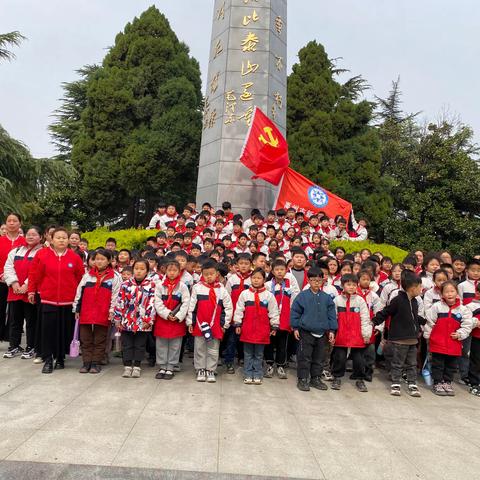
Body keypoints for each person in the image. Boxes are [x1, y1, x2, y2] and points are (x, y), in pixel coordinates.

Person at [27, 228, 84, 373]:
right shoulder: (42, 254)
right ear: (51, 239)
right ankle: (47, 359)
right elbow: (34, 274)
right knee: (48, 331)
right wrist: (32, 291)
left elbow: (80, 278)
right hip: (48, 299)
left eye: (64, 237)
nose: (61, 240)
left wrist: (79, 298)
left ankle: (60, 358)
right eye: (58, 237)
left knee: (64, 331)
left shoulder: (74, 257)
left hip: (68, 301)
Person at [372, 271, 425, 397]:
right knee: (398, 362)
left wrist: (423, 322)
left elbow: (414, 317)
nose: (421, 290)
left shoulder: (415, 301)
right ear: (412, 288)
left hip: (412, 339)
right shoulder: (397, 300)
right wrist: (375, 321)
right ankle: (396, 383)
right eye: (420, 287)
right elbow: (386, 311)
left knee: (412, 363)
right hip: (400, 339)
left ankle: (412, 383)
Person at [73, 249, 121, 374]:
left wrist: (112, 311)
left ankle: (95, 363)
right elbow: (79, 293)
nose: (99, 262)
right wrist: (77, 309)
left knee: (100, 339)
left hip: (103, 312)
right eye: (96, 259)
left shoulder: (115, 277)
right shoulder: (87, 275)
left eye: (102, 259)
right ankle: (86, 362)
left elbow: (116, 296)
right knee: (85, 338)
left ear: (109, 261)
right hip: (86, 311)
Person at [290, 268, 337, 392]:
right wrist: (295, 327)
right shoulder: (302, 296)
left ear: (323, 280)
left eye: (319, 280)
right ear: (308, 280)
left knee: (319, 357)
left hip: (322, 333)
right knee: (304, 357)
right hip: (305, 332)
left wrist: (332, 330)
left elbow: (332, 315)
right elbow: (295, 312)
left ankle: (315, 378)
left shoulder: (327, 298)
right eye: (313, 280)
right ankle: (303, 379)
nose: (316, 282)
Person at [186, 260, 233, 383]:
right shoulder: (197, 288)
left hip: (215, 325)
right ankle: (200, 368)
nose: (209, 276)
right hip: (200, 324)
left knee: (213, 348)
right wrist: (190, 322)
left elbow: (228, 308)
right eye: (206, 274)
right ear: (202, 274)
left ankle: (211, 369)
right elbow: (192, 306)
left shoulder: (221, 290)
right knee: (199, 348)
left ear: (217, 274)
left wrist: (224, 324)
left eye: (211, 273)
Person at [424, 281, 473, 396]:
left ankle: (447, 382)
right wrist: (427, 337)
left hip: (454, 344)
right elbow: (430, 322)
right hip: (438, 343)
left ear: (457, 293)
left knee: (451, 365)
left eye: (452, 291)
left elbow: (467, 325)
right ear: (442, 294)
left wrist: (460, 334)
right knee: (438, 364)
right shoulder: (437, 307)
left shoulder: (463, 309)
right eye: (446, 292)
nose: (449, 294)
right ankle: (437, 382)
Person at [3, 226, 43, 358]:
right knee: (15, 320)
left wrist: (27, 285)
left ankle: (31, 346)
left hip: (30, 292)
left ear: (41, 237)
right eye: (28, 234)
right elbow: (8, 267)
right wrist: (14, 283)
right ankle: (14, 346)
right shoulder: (16, 250)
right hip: (14, 291)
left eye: (34, 234)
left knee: (31, 320)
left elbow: (38, 271)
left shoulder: (42, 252)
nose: (30, 236)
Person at [234, 268, 279, 385]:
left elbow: (273, 311)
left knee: (259, 354)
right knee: (248, 353)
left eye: (259, 278)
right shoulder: (244, 294)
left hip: (262, 330)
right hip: (247, 329)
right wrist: (237, 323)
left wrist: (274, 326)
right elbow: (239, 309)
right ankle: (248, 373)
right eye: (254, 278)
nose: (256, 280)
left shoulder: (268, 295)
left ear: (264, 279)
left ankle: (258, 373)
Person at [114, 259, 157, 378]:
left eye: (142, 269)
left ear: (147, 271)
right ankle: (127, 366)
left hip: (143, 322)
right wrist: (117, 318)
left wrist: (148, 320)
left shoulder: (151, 285)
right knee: (127, 344)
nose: (138, 271)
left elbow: (152, 303)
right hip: (127, 321)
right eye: (136, 268)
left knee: (140, 345)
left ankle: (137, 366)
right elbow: (120, 302)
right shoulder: (125, 285)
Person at [331, 274, 372, 392]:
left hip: (357, 336)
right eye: (348, 284)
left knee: (359, 360)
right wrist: (332, 333)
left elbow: (365, 319)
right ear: (343, 285)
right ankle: (337, 377)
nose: (351, 287)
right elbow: (333, 317)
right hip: (341, 335)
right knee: (340, 358)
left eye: (354, 285)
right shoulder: (337, 300)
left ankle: (360, 379)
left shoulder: (360, 301)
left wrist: (366, 335)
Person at [153, 260, 190, 380]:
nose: (172, 273)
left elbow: (186, 303)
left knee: (175, 345)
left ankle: (170, 367)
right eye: (170, 270)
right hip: (163, 320)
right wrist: (166, 313)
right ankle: (162, 366)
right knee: (161, 344)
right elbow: (157, 302)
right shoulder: (160, 285)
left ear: (179, 271)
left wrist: (179, 316)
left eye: (175, 270)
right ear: (165, 270)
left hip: (176, 321)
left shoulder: (182, 286)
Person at [264, 260, 300, 379]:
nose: (279, 272)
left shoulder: (290, 285)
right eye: (277, 270)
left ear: (286, 271)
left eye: (282, 269)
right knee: (269, 343)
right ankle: (269, 364)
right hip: (270, 319)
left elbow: (294, 300)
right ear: (272, 271)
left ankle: (280, 365)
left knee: (282, 344)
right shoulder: (268, 285)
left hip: (285, 319)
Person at [0, 213, 27, 342]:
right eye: (8, 221)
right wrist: (2, 275)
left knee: (15, 312)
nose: (11, 223)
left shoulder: (24, 242)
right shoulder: (0, 240)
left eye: (14, 221)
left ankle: (11, 337)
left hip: (18, 282)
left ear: (20, 224)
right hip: (1, 280)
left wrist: (14, 279)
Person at [224, 253, 252, 373]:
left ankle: (242, 358)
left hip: (247, 315)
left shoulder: (253, 279)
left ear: (251, 265)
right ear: (236, 265)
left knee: (244, 339)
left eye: (246, 264)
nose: (244, 266)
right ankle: (229, 362)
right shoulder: (232, 279)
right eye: (241, 263)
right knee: (231, 340)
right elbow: (226, 297)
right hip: (233, 316)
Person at [357, 270, 384, 382]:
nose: (366, 281)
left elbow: (379, 312)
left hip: (370, 326)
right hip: (356, 325)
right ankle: (358, 371)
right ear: (358, 280)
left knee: (370, 351)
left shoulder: (373, 295)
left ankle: (368, 372)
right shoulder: (354, 293)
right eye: (363, 279)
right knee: (357, 351)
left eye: (368, 279)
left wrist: (378, 327)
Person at [466, 282, 480, 396]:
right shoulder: (472, 306)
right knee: (476, 360)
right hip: (477, 337)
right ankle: (474, 383)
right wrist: (476, 323)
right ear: (477, 293)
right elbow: (466, 321)